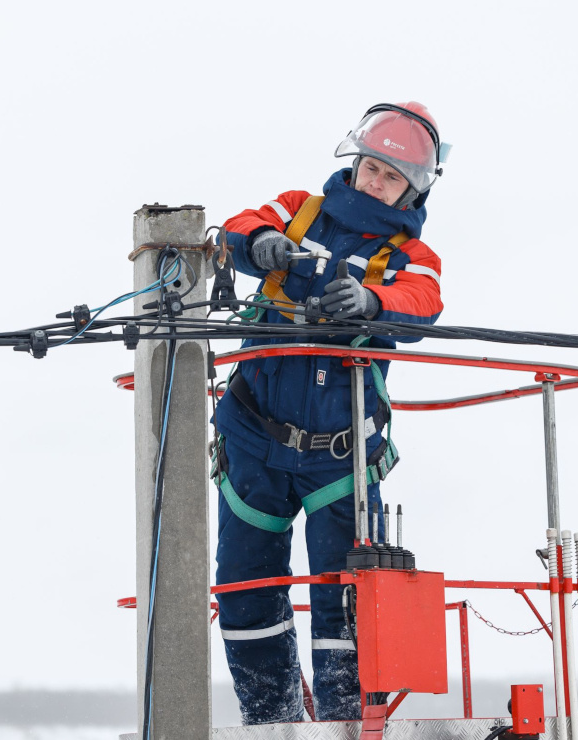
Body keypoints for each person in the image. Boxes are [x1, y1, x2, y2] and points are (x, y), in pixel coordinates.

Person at [212, 102, 447, 724]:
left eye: (390, 176)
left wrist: (371, 300)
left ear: (411, 190)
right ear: (355, 161)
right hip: (253, 440)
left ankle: (349, 728)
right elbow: (238, 226)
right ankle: (272, 723)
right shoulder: (299, 210)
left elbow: (423, 301)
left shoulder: (412, 256)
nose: (375, 182)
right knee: (244, 588)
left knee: (347, 600)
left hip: (340, 461)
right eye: (371, 167)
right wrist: (259, 242)